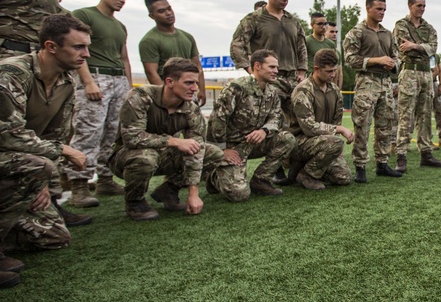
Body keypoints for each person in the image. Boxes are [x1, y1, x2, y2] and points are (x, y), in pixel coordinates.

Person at [0, 15, 92, 280]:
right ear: (51, 46)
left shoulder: (66, 82)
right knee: (38, 164)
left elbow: (56, 134)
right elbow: (8, 135)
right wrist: (63, 153)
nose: (86, 55)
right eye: (78, 47)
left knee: (54, 237)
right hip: (9, 153)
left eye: (86, 47)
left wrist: (42, 183)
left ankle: (8, 232)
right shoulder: (12, 74)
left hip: (21, 161)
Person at [109, 58, 241, 220]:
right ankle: (134, 202)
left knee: (212, 152)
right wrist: (174, 141)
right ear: (170, 82)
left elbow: (197, 149)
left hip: (162, 155)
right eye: (188, 83)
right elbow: (132, 138)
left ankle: (169, 190)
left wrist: (193, 193)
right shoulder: (141, 97)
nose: (194, 88)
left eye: (196, 83)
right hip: (126, 156)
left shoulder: (191, 109)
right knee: (145, 157)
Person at [66, 0, 133, 200]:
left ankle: (105, 179)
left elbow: (124, 57)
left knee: (113, 132)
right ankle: (79, 184)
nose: (122, 0)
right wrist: (87, 82)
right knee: (89, 131)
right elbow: (76, 49)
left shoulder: (119, 26)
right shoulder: (84, 15)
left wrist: (129, 87)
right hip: (96, 76)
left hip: (118, 80)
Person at [207, 49, 295, 197]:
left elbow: (276, 118)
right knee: (239, 194)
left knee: (287, 139)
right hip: (233, 147)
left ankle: (261, 180)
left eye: (277, 67)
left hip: (254, 143)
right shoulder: (236, 88)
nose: (276, 71)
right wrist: (222, 150)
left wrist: (264, 131)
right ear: (257, 66)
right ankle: (213, 177)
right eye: (272, 67)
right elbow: (217, 119)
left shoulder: (272, 92)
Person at [344, 0, 402, 182]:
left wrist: (393, 65)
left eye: (384, 9)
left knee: (386, 124)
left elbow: (398, 57)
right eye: (378, 9)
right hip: (366, 83)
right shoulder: (357, 32)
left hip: (385, 83)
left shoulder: (387, 33)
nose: (382, 12)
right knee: (362, 124)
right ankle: (360, 166)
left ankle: (382, 163)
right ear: (368, 8)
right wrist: (376, 60)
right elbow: (350, 59)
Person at [230, 0, 308, 117]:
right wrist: (250, 70)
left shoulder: (293, 21)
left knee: (299, 120)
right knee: (271, 120)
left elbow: (301, 46)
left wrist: (302, 71)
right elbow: (237, 45)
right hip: (269, 79)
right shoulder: (254, 19)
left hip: (293, 79)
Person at [392, 0, 441, 171]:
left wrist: (415, 46)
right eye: (419, 6)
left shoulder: (429, 27)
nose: (422, 9)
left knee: (425, 115)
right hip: (409, 72)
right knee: (405, 115)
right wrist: (422, 47)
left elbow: (433, 48)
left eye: (424, 6)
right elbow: (403, 47)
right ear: (410, 5)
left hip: (426, 74)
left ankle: (426, 153)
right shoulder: (401, 25)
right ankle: (401, 155)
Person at [287, 49, 355, 190]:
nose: (333, 75)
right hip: (299, 142)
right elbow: (309, 128)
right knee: (336, 142)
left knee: (344, 177)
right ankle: (307, 174)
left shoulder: (335, 91)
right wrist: (338, 132)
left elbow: (336, 121)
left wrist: (334, 149)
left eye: (334, 70)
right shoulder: (303, 91)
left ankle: (304, 168)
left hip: (323, 142)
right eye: (329, 71)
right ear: (317, 69)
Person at [138, 0, 206, 106]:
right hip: (168, 97)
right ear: (152, 16)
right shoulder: (149, 40)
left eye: (169, 8)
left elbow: (197, 67)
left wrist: (201, 90)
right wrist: (164, 97)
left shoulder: (187, 37)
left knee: (193, 122)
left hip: (189, 94)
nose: (168, 13)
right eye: (161, 11)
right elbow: (151, 72)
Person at [305, 12, 339, 76]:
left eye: (325, 24)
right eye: (320, 24)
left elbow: (334, 65)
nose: (323, 27)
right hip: (311, 78)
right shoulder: (306, 41)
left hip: (327, 78)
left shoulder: (330, 44)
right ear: (312, 25)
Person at [431, 56, 441, 147]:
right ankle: (427, 140)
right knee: (425, 113)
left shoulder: (435, 56)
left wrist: (440, 85)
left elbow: (440, 71)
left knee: (439, 112)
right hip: (425, 83)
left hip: (434, 83)